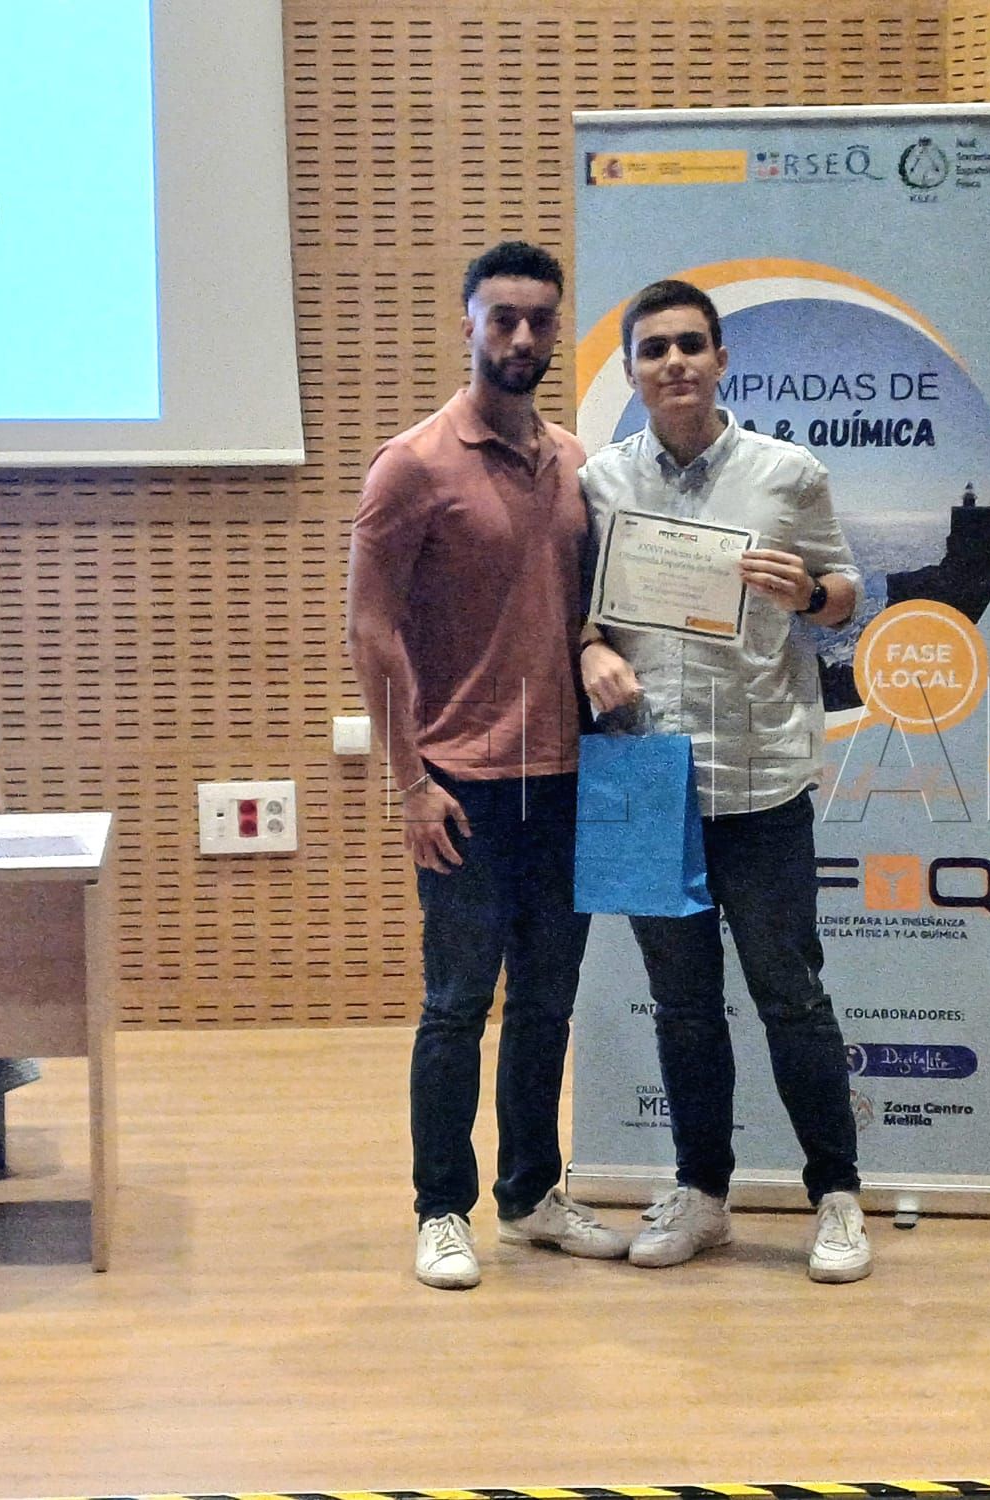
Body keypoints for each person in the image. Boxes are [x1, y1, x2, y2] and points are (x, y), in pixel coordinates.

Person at [347, 240, 630, 1290]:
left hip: (568, 780)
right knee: (457, 1006)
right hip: (460, 784)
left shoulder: (576, 463)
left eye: (538, 320)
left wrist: (595, 648)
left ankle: (530, 1196)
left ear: (556, 330)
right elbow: (371, 632)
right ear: (467, 322)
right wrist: (410, 785)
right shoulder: (413, 465)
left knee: (547, 1006)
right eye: (501, 317)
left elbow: (592, 612)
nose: (520, 336)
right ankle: (440, 1210)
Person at [579, 278, 872, 1284]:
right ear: (631, 371)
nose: (674, 362)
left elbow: (847, 597)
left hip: (761, 777)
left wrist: (814, 592)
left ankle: (837, 1196)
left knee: (790, 994)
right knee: (682, 1005)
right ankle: (702, 1194)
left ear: (720, 359)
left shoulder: (787, 474)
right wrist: (587, 649)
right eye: (653, 348)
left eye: (691, 344)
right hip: (642, 773)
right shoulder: (598, 483)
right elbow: (574, 613)